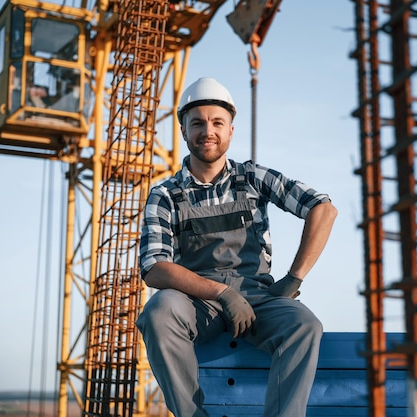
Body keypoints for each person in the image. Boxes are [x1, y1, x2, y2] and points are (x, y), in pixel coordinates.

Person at [136, 77, 337, 417]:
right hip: (196, 301)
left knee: (305, 325)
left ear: (231, 130)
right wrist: (223, 294)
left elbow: (322, 208)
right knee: (158, 313)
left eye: (217, 122)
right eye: (197, 123)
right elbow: (154, 267)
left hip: (258, 297)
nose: (207, 131)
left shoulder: (254, 178)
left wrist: (294, 278)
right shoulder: (166, 194)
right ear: (183, 131)